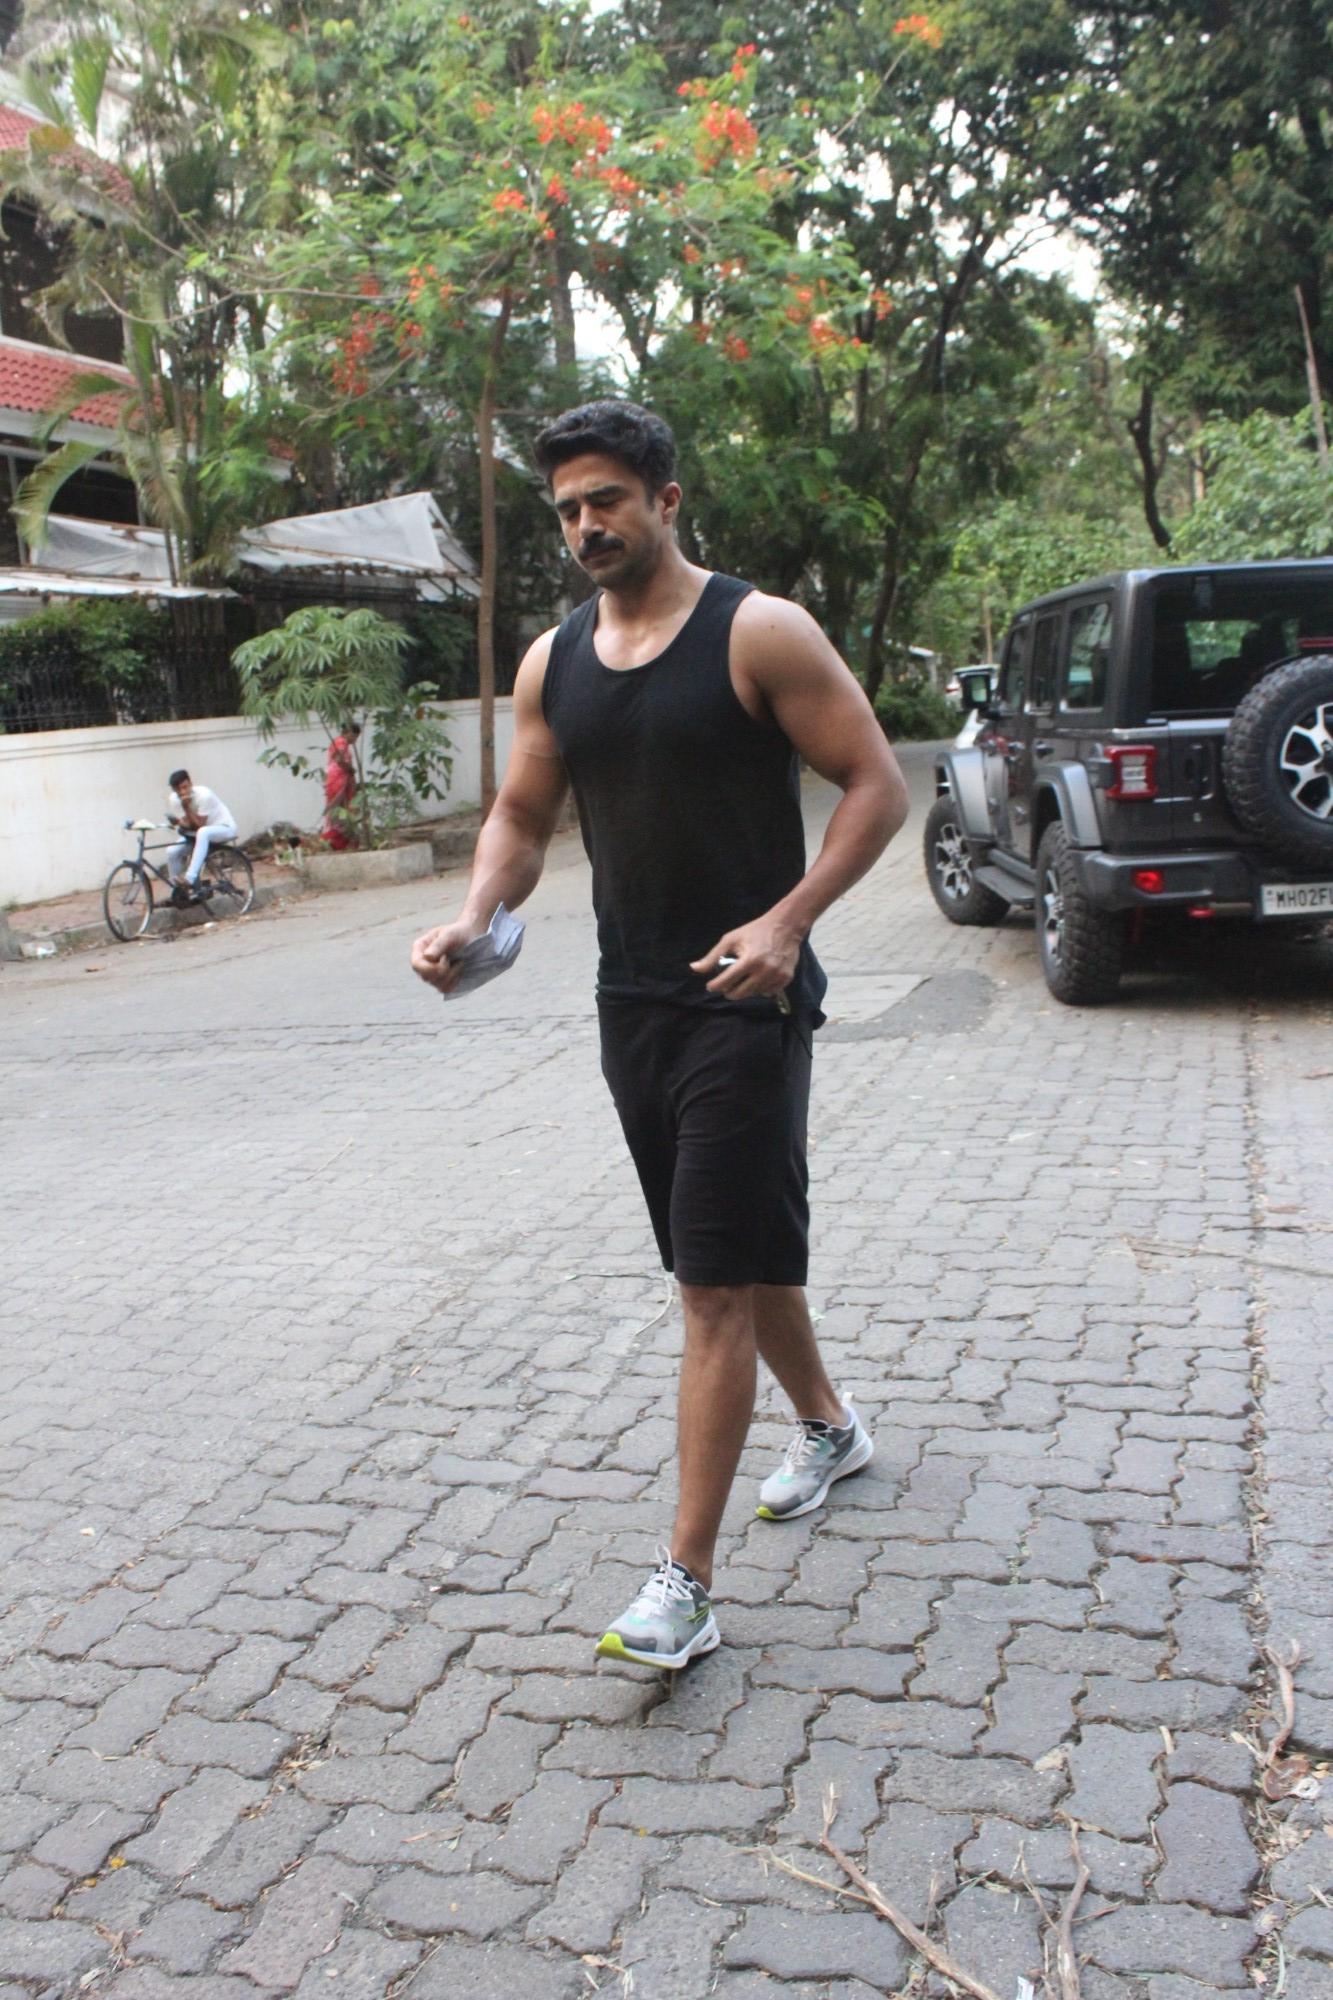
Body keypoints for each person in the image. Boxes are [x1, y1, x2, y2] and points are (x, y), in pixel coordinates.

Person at [410, 400, 909, 1670]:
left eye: (606, 501)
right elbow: (521, 817)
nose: (585, 526)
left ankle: (683, 1582)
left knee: (709, 1284)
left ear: (665, 499)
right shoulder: (552, 663)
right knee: (728, 1246)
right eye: (568, 508)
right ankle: (833, 1428)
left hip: (746, 997)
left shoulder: (759, 630)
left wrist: (791, 919)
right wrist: (474, 912)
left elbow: (876, 782)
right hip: (630, 1003)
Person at [165, 769, 239, 904]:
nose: (182, 793)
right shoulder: (174, 799)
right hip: (198, 834)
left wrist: (186, 807)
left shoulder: (204, 795)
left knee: (203, 832)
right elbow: (188, 824)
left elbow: (199, 825)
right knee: (172, 851)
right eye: (178, 790)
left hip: (224, 828)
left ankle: (190, 878)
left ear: (191, 783)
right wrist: (178, 822)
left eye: (185, 787)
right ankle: (179, 891)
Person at [323, 724, 361, 850]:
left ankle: (340, 840)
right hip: (338, 780)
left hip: (337, 779)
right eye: (355, 737)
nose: (355, 741)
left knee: (340, 810)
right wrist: (350, 769)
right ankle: (337, 839)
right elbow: (339, 759)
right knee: (339, 810)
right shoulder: (341, 742)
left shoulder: (338, 742)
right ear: (350, 733)